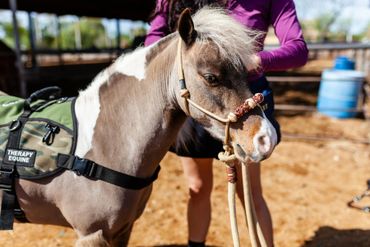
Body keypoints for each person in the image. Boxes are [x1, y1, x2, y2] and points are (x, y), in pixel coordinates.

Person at [145, 1, 308, 246]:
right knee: (198, 187)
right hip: (200, 98)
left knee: (250, 193)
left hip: (244, 103)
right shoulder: (171, 3)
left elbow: (298, 49)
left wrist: (250, 60)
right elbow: (152, 46)